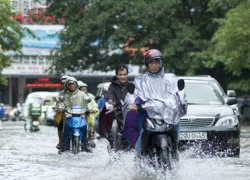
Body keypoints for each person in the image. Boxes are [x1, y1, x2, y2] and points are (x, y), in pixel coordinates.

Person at [123, 49, 187, 158]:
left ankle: (176, 151)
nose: (154, 65)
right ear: (147, 64)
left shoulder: (170, 78)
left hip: (168, 115)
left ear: (161, 63)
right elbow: (133, 95)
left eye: (157, 62)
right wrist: (133, 104)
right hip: (148, 114)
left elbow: (178, 92)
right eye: (151, 63)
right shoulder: (141, 80)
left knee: (177, 124)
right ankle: (138, 156)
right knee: (142, 132)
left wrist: (181, 100)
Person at [56, 77, 92, 152]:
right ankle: (63, 144)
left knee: (87, 127)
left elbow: (87, 101)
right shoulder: (62, 94)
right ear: (67, 85)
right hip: (67, 115)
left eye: (73, 84)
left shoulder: (82, 94)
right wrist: (60, 108)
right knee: (62, 129)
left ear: (76, 85)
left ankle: (86, 144)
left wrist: (89, 108)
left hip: (80, 115)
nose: (72, 86)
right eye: (70, 84)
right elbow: (60, 103)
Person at [78, 81, 99, 147]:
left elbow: (95, 106)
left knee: (92, 122)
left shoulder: (90, 98)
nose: (84, 90)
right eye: (82, 89)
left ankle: (90, 138)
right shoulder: (76, 97)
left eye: (85, 89)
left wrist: (93, 109)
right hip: (78, 115)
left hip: (88, 116)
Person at [55, 75, 70, 151]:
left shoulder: (77, 93)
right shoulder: (60, 94)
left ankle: (86, 141)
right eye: (63, 83)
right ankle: (60, 141)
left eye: (66, 83)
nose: (64, 85)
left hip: (76, 113)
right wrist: (59, 108)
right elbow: (58, 103)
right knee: (60, 124)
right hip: (65, 113)